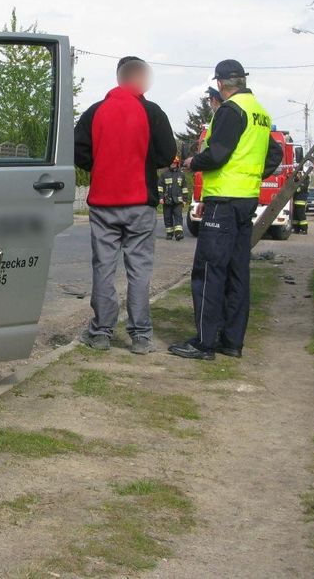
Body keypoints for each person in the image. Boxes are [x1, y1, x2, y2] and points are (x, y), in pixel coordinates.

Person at [169, 60, 282, 361]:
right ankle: (232, 341)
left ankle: (204, 343)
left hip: (223, 201)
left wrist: (195, 162)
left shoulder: (230, 110)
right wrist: (254, 173)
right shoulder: (259, 111)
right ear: (242, 80)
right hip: (246, 200)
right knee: (237, 272)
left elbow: (218, 155)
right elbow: (275, 153)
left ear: (220, 84)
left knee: (208, 271)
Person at [74, 57, 177, 355]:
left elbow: (79, 152)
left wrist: (101, 163)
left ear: (119, 78)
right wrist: (145, 164)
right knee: (139, 269)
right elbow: (167, 153)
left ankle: (101, 332)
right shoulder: (152, 112)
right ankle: (141, 336)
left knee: (104, 267)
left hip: (104, 204)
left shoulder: (95, 111)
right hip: (140, 203)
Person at [159, 160, 188, 240]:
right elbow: (160, 187)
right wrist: (160, 198)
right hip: (167, 201)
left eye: (174, 163)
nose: (173, 164)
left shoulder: (181, 175)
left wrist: (185, 199)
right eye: (171, 163)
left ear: (177, 164)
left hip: (178, 201)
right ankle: (169, 233)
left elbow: (184, 188)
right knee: (167, 217)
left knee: (178, 217)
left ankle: (179, 233)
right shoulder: (164, 175)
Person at [292, 170, 310, 234]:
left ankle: (304, 229)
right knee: (295, 216)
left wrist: (292, 189)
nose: (297, 175)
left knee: (301, 216)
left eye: (299, 174)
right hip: (296, 202)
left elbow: (297, 190)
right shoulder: (298, 181)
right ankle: (296, 229)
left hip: (301, 202)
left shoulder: (305, 182)